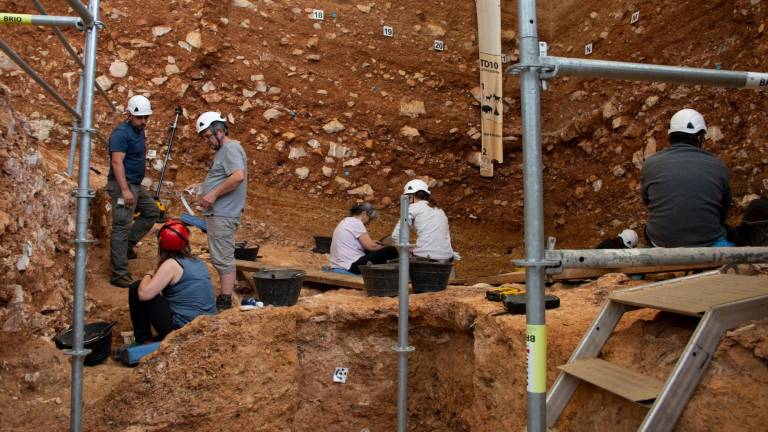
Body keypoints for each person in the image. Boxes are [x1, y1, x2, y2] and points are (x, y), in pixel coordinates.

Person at [641, 108, 732, 247]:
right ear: (700, 138)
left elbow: (648, 201)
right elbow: (723, 211)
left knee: (648, 230)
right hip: (707, 242)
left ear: (671, 136)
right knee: (729, 232)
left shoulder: (650, 164)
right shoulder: (718, 166)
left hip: (661, 241)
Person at [191, 112, 247, 311]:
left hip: (224, 213)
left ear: (220, 130)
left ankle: (225, 302)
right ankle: (225, 298)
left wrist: (212, 194)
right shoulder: (223, 151)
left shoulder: (231, 148)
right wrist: (202, 187)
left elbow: (238, 176)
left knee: (223, 258)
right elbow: (225, 177)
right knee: (220, 256)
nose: (206, 141)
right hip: (219, 213)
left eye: (207, 136)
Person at [128, 220, 217, 344]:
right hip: (206, 326)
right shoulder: (198, 263)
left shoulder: (171, 264)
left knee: (136, 288)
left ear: (161, 243)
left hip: (184, 331)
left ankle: (144, 341)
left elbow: (144, 295)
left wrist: (149, 273)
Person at [107, 95, 162, 288]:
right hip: (123, 185)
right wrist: (124, 190)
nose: (144, 121)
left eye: (146, 117)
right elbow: (116, 162)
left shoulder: (139, 131)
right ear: (129, 114)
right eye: (140, 118)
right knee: (121, 225)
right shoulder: (121, 133)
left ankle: (127, 247)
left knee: (153, 212)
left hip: (135, 185)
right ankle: (119, 273)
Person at [391, 179, 456, 261]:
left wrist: (407, 250)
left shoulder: (412, 208)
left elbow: (396, 235)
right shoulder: (439, 209)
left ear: (411, 196)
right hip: (448, 258)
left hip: (426, 258)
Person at [329, 202, 398, 274]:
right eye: (370, 219)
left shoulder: (346, 221)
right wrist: (384, 247)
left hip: (340, 264)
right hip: (350, 265)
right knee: (391, 250)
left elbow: (359, 243)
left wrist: (374, 244)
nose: (369, 223)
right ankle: (395, 275)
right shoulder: (356, 222)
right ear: (364, 214)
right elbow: (371, 246)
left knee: (376, 250)